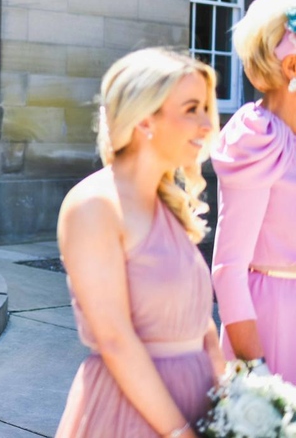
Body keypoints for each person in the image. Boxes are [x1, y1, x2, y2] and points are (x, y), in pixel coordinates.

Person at [55, 48, 224, 438]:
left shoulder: (168, 204)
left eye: (205, 109)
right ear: (146, 120)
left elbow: (204, 327)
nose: (206, 125)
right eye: (192, 109)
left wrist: (233, 401)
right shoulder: (95, 205)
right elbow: (114, 338)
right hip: (133, 415)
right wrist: (180, 432)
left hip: (200, 403)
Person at [211, 0, 296, 384]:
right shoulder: (258, 137)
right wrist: (257, 376)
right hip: (277, 321)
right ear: (292, 65)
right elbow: (228, 271)